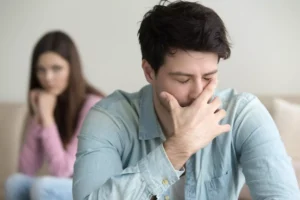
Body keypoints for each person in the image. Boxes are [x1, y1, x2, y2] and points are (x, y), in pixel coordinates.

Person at [72, 1, 300, 200]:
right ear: (149, 72)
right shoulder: (109, 119)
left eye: (209, 77)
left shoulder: (243, 115)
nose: (199, 92)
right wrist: (178, 149)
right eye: (183, 79)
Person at [5, 30, 104, 200]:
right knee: (15, 182)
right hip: (71, 188)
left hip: (101, 190)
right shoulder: (51, 103)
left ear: (72, 69)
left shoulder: (93, 106)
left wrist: (47, 118)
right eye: (41, 70)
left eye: (56, 68)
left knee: (43, 187)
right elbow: (26, 170)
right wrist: (39, 118)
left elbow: (63, 171)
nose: (48, 78)